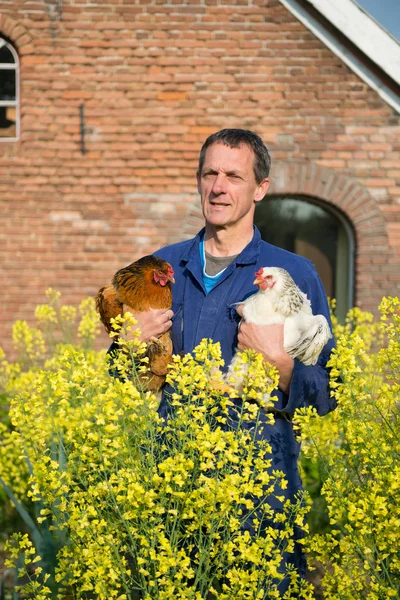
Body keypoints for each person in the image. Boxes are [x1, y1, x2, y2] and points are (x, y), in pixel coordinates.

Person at [118, 128, 335, 588]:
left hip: (261, 494)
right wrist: (127, 345)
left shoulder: (293, 272)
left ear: (260, 189)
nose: (218, 187)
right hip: (172, 488)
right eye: (209, 174)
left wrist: (284, 367)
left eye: (234, 176)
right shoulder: (162, 267)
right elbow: (125, 379)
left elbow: (330, 390)